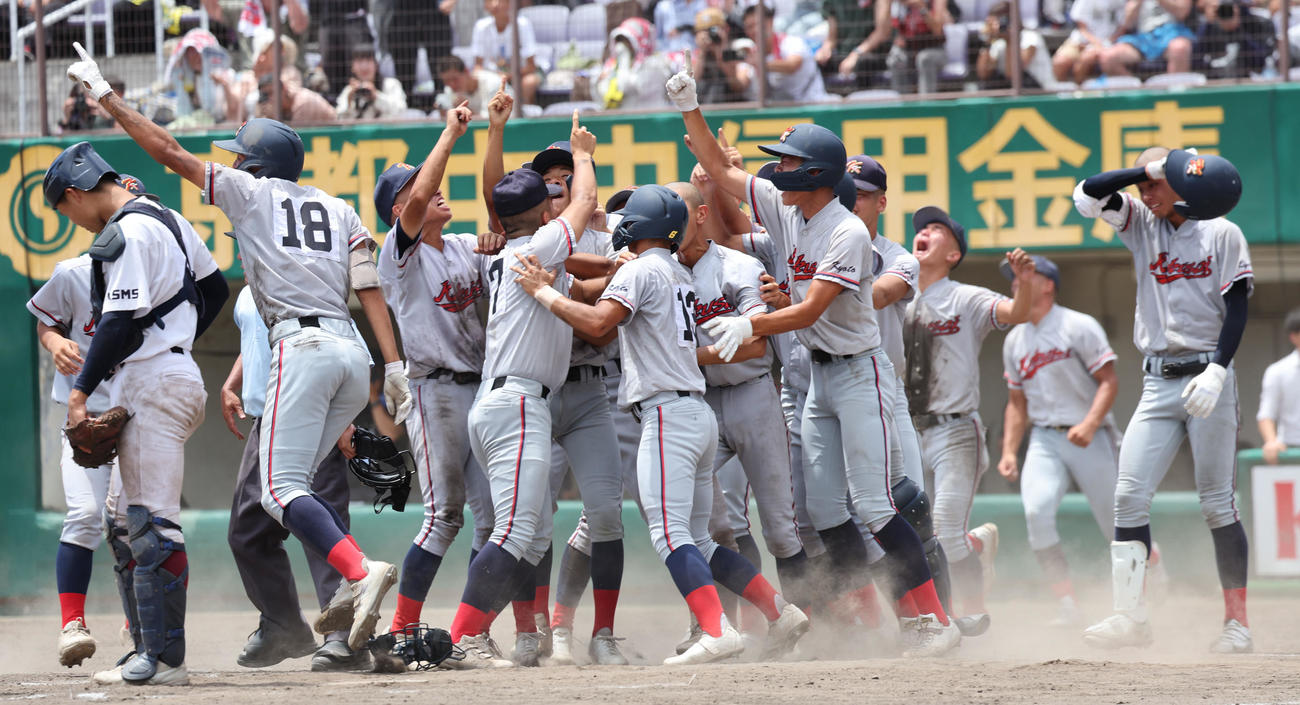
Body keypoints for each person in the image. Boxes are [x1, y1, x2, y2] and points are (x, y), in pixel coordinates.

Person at [68, 40, 413, 656]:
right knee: (299, 485)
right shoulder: (337, 207)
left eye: (240, 155)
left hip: (301, 345)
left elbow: (169, 151)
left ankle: (359, 577)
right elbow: (368, 284)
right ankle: (338, 594)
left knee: (278, 491)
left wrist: (106, 98)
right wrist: (393, 365)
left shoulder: (252, 194)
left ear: (257, 165)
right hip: (350, 348)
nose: (234, 162)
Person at [669, 70, 960, 657]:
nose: (777, 168)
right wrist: (691, 109)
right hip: (817, 381)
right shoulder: (786, 207)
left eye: (788, 161)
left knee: (877, 504)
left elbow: (811, 312)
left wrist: (750, 322)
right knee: (825, 511)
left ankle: (932, 620)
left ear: (816, 174)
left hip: (859, 373)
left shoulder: (847, 231)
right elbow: (722, 173)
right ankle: (868, 613)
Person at [509, 184, 810, 665]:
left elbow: (596, 323)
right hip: (696, 413)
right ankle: (779, 610)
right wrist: (566, 279)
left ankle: (715, 629)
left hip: (667, 415)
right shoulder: (674, 270)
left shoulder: (646, 268)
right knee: (702, 538)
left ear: (640, 224)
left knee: (671, 536)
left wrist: (542, 291)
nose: (622, 221)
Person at [42, 142, 229, 685]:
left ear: (75, 194)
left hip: (153, 380)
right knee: (122, 525)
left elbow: (120, 324)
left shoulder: (126, 230)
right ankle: (145, 648)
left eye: (65, 209)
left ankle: (167, 659)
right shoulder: (167, 218)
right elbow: (213, 289)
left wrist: (80, 393)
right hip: (164, 374)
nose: (72, 220)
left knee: (151, 526)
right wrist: (176, 336)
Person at [1072, 146, 1253, 653]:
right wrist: (1144, 171)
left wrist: (1218, 369)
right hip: (1157, 380)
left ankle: (1237, 624)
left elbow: (1237, 308)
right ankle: (1131, 617)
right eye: (1142, 185)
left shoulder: (1221, 231)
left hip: (1208, 376)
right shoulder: (1139, 223)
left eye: (1155, 183)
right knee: (1128, 496)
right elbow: (1085, 195)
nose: (1143, 193)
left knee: (1218, 503)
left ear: (1184, 182)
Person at [440, 110, 597, 668]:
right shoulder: (536, 249)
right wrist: (581, 155)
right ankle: (461, 638)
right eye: (544, 195)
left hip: (501, 402)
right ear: (534, 211)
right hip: (518, 402)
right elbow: (580, 207)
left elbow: (514, 203)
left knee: (526, 536)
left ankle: (469, 635)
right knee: (514, 532)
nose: (554, 198)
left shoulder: (513, 251)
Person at [668, 179, 813, 651]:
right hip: (701, 404)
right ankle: (712, 628)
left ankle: (800, 628)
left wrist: (689, 357)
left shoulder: (739, 266)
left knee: (780, 527)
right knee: (708, 525)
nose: (670, 223)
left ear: (702, 214)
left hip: (752, 395)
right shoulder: (660, 271)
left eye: (679, 212)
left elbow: (754, 341)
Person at [373, 107, 497, 643]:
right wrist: (450, 133)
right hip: (436, 392)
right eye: (418, 189)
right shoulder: (397, 256)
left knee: (495, 523)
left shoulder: (466, 245)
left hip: (483, 391)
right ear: (402, 208)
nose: (434, 190)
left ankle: (474, 631)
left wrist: (497, 241)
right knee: (445, 515)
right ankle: (402, 629)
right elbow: (422, 196)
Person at [26, 176, 144, 669]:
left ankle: (140, 619)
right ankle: (72, 622)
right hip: (85, 415)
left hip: (138, 414)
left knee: (134, 521)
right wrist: (55, 344)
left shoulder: (160, 279)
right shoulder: (75, 272)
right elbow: (45, 320)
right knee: (84, 516)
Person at [220, 283, 368, 672]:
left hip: (307, 414)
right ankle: (284, 626)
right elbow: (257, 339)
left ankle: (345, 639)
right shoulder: (249, 291)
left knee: (320, 526)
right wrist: (233, 380)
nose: (242, 243)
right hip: (263, 419)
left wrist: (342, 416)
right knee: (247, 534)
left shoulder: (303, 284)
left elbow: (339, 343)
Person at [902, 206, 1036, 629]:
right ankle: (973, 548)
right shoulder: (897, 295)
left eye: (936, 229)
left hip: (955, 430)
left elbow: (1016, 314)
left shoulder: (965, 297)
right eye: (921, 228)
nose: (924, 232)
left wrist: (1026, 284)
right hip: (907, 429)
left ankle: (973, 609)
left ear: (954, 254)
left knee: (942, 525)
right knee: (919, 532)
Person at [996, 255, 1121, 627]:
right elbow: (1016, 404)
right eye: (1013, 279)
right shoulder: (1015, 339)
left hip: (1090, 435)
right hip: (1045, 439)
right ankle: (1067, 602)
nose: (1016, 283)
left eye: (1025, 276)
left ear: (1048, 283)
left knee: (1116, 524)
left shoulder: (1078, 326)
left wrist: (1090, 421)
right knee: (1036, 512)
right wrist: (1008, 450)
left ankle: (1152, 575)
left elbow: (1109, 381)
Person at [595, 17, 687, 111]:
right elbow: (602, 94)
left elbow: (626, 86)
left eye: (627, 41)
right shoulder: (612, 66)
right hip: (623, 120)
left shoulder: (656, 63)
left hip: (652, 118)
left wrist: (624, 58)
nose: (622, 45)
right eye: (620, 40)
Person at [742, 3, 828, 102]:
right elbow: (741, 83)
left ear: (770, 22)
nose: (754, 30)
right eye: (749, 27)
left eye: (756, 24)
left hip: (813, 105)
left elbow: (793, 65)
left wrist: (761, 64)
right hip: (781, 113)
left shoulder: (791, 42)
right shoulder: (750, 52)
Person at [976, 1, 1063, 89]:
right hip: (1017, 93)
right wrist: (987, 41)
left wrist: (1010, 40)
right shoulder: (997, 43)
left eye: (1000, 21)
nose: (997, 26)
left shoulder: (1030, 38)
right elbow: (983, 74)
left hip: (1041, 91)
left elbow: (1013, 75)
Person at [470, 0, 540, 106]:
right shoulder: (480, 26)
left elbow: (531, 66)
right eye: (490, 0)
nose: (495, 4)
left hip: (520, 74)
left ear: (510, 4)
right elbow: (478, 66)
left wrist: (509, 75)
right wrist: (490, 77)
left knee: (529, 82)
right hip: (492, 77)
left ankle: (523, 111)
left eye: (499, 0)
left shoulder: (523, 24)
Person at [1099, 0, 1195, 76]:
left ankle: (1173, 96)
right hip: (1142, 37)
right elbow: (1128, 23)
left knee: (1180, 48)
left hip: (1172, 32)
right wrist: (1136, 4)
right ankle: (1139, 96)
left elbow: (1182, 12)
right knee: (1108, 57)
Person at [886, 0, 958, 94]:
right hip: (910, 51)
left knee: (924, 58)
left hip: (935, 51)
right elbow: (893, 33)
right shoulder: (901, 5)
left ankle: (925, 105)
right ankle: (902, 104)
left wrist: (922, 8)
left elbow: (937, 30)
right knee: (895, 58)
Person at [818, 0, 893, 87]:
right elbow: (832, 37)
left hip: (872, 56)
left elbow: (882, 32)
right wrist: (825, 50)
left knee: (864, 64)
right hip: (844, 56)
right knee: (821, 63)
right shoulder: (831, 3)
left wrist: (856, 54)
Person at [1259, 310, 1300, 465]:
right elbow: (1266, 414)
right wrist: (1271, 442)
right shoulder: (1278, 371)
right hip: (1290, 450)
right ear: (1293, 336)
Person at [1052, 0, 1127, 83]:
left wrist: (1105, 44)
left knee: (1085, 61)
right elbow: (1082, 28)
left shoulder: (1121, 2)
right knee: (1060, 62)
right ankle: (1060, 93)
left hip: (1109, 44)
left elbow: (1122, 28)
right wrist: (1095, 43)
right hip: (1079, 41)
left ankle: (1078, 93)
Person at [691, 8, 752, 104]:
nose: (710, 35)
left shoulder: (738, 50)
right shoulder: (692, 56)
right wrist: (702, 53)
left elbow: (739, 86)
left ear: (726, 29)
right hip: (702, 112)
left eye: (713, 30)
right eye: (704, 31)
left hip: (730, 113)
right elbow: (689, 87)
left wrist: (720, 53)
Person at [335, 44, 408, 120]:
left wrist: (376, 96)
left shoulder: (390, 84)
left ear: (376, 65)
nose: (364, 66)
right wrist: (349, 101)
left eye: (368, 60)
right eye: (359, 61)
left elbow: (401, 111)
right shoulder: (349, 90)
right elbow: (339, 119)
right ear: (352, 67)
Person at [435, 55, 508, 118]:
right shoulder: (449, 90)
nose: (452, 84)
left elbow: (492, 120)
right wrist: (443, 113)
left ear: (466, 71)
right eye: (447, 81)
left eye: (455, 79)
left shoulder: (492, 84)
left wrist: (467, 110)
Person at [257, 74, 337, 124]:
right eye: (266, 95)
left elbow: (294, 137)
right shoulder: (282, 107)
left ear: (284, 88)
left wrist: (274, 118)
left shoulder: (303, 101)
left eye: (272, 92)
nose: (270, 98)